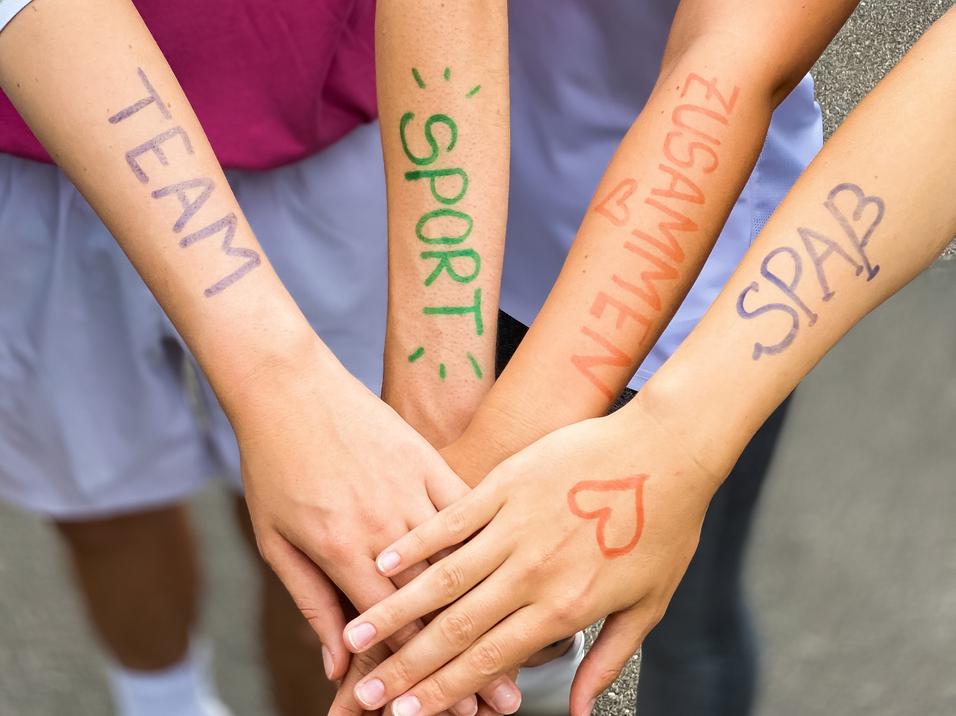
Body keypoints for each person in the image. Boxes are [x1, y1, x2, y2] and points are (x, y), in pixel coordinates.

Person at [336, 6, 956, 716]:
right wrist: (436, 405)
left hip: (710, 291)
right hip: (478, 212)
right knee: (472, 607)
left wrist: (670, 438)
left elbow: (732, 53)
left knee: (686, 625)